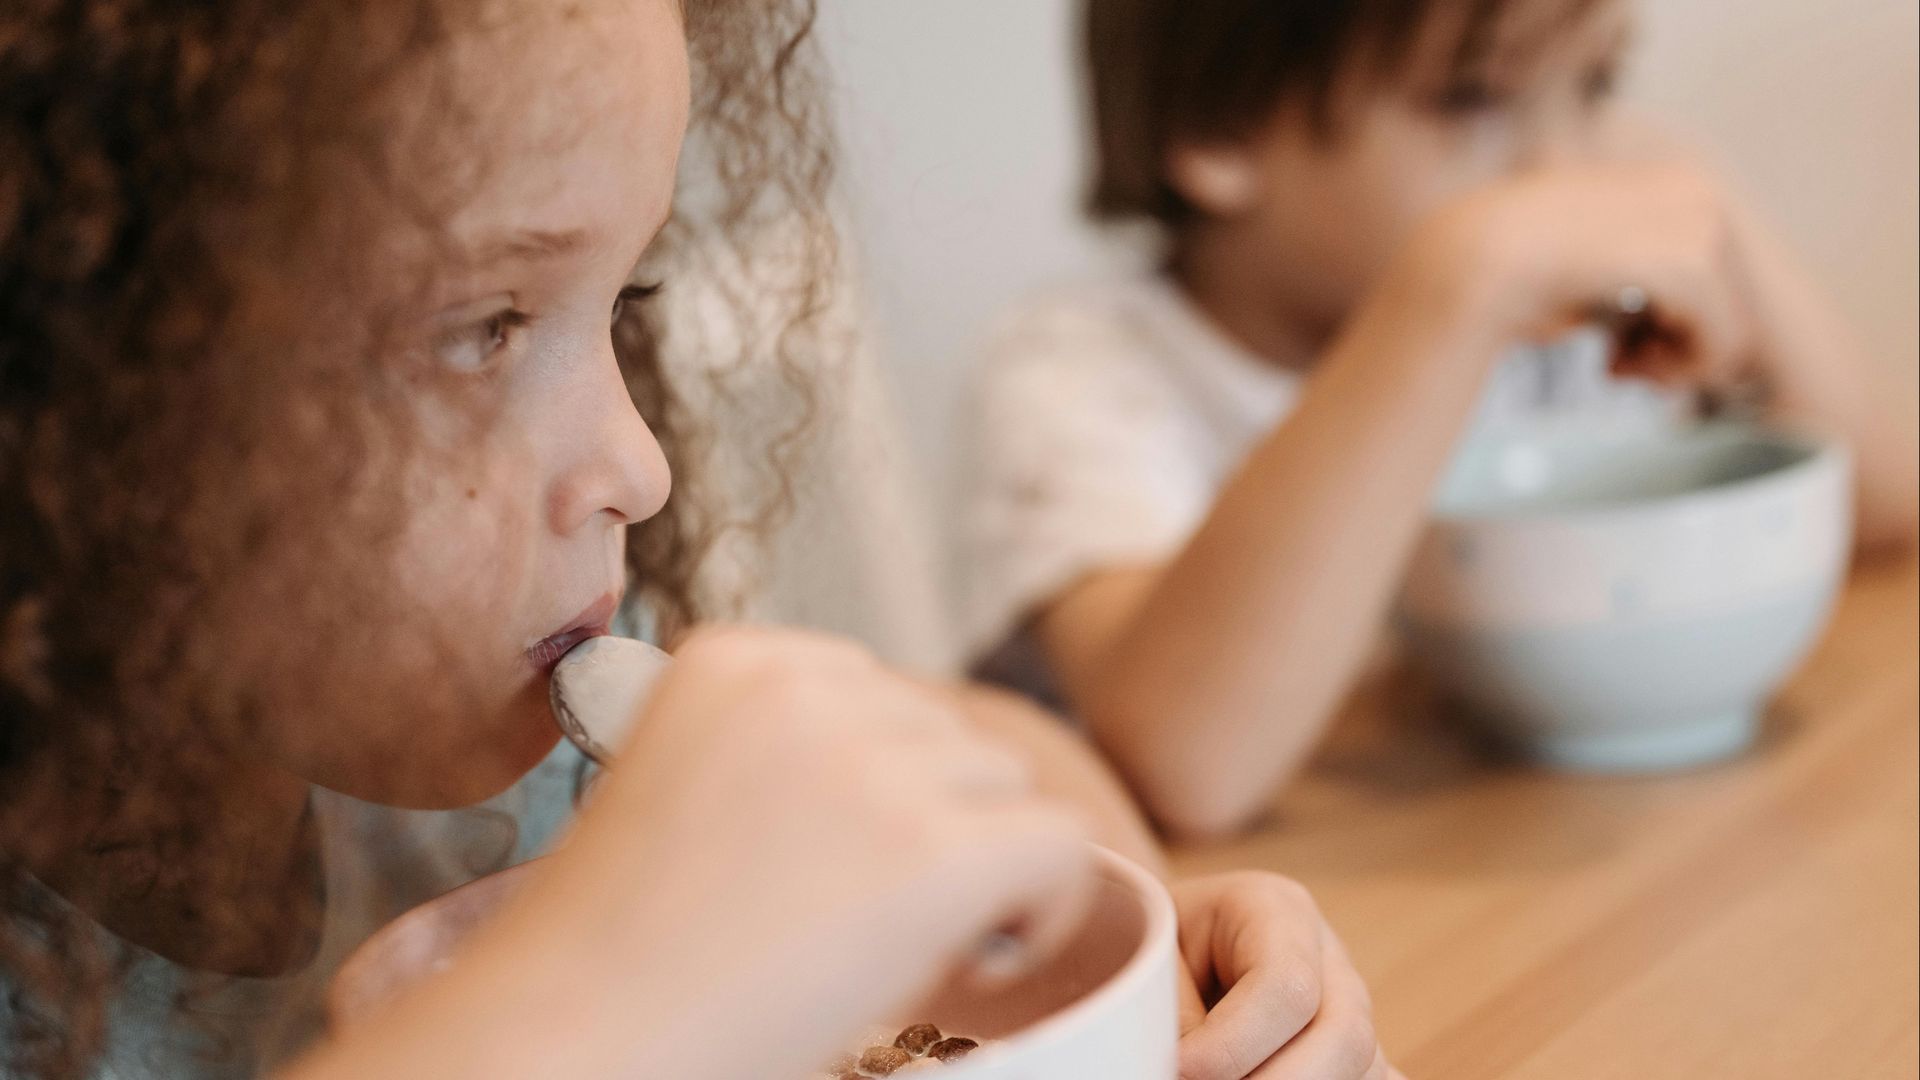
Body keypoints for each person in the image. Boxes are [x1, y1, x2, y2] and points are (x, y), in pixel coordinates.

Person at [0, 2, 1394, 1078]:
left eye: (620, 299)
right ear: (75, 374)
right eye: (484, 327)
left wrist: (1142, 957)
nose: (641, 466)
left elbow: (1005, 756)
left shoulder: (530, 742)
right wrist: (591, 1000)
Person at [962, 0, 1920, 839]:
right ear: (1220, 130)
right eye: (1473, 97)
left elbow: (1885, 508)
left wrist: (1700, 192)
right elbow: (1188, 771)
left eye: (1595, 82)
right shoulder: (1089, 371)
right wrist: (1454, 285)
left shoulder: (1556, 288)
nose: (1561, 168)